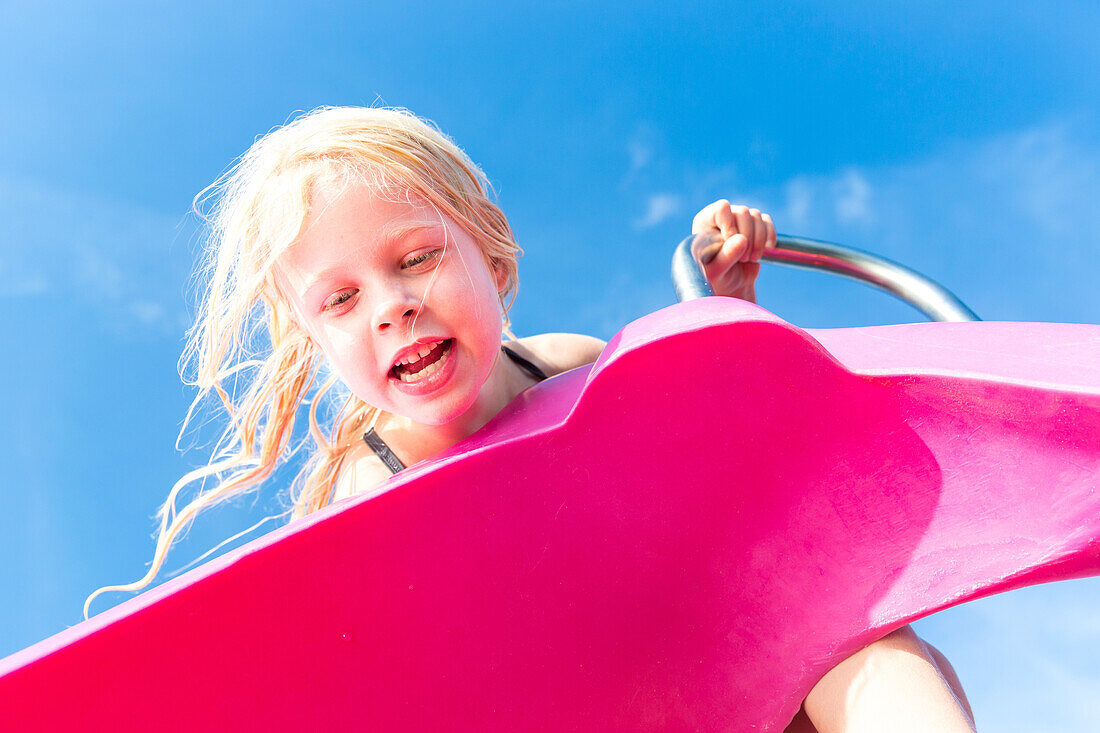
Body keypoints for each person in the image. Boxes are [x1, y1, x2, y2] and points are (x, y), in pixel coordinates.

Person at [86, 106, 976, 732]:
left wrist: (729, 307)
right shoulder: (362, 490)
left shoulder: (567, 363)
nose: (390, 307)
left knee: (862, 640)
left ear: (493, 253)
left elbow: (721, 464)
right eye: (342, 298)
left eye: (418, 256)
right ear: (316, 339)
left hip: (721, 666)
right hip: (565, 706)